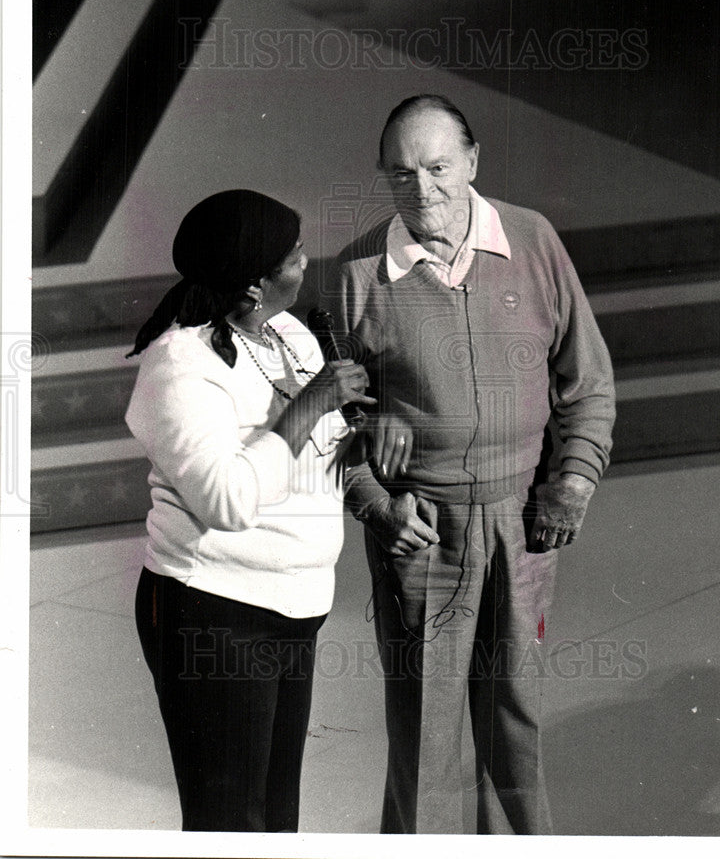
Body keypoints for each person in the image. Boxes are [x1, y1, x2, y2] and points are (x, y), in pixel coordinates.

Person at [335, 95, 616, 834]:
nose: (421, 190)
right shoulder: (358, 274)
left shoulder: (532, 239)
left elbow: (588, 383)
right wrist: (377, 505)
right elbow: (330, 428)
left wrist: (575, 480)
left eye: (437, 168)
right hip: (420, 532)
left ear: (472, 161)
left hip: (524, 524)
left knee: (514, 730)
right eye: (401, 175)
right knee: (424, 743)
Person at [125, 188, 375, 832]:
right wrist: (310, 407)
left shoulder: (290, 334)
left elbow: (310, 459)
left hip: (296, 607)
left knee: (275, 821)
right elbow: (229, 500)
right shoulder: (179, 366)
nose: (304, 262)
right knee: (229, 823)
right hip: (216, 613)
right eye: (292, 255)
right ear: (254, 284)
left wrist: (369, 447)